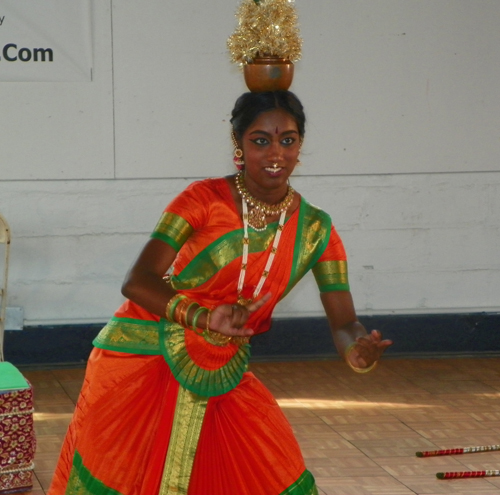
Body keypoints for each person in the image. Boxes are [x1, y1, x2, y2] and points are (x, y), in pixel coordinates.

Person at [48, 90, 392, 495]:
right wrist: (201, 316)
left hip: (222, 369)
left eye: (289, 140)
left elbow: (345, 322)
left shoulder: (316, 230)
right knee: (129, 478)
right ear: (239, 145)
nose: (276, 153)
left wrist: (357, 352)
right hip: (142, 357)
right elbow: (138, 280)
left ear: (301, 145)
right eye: (260, 141)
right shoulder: (203, 200)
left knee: (269, 471)